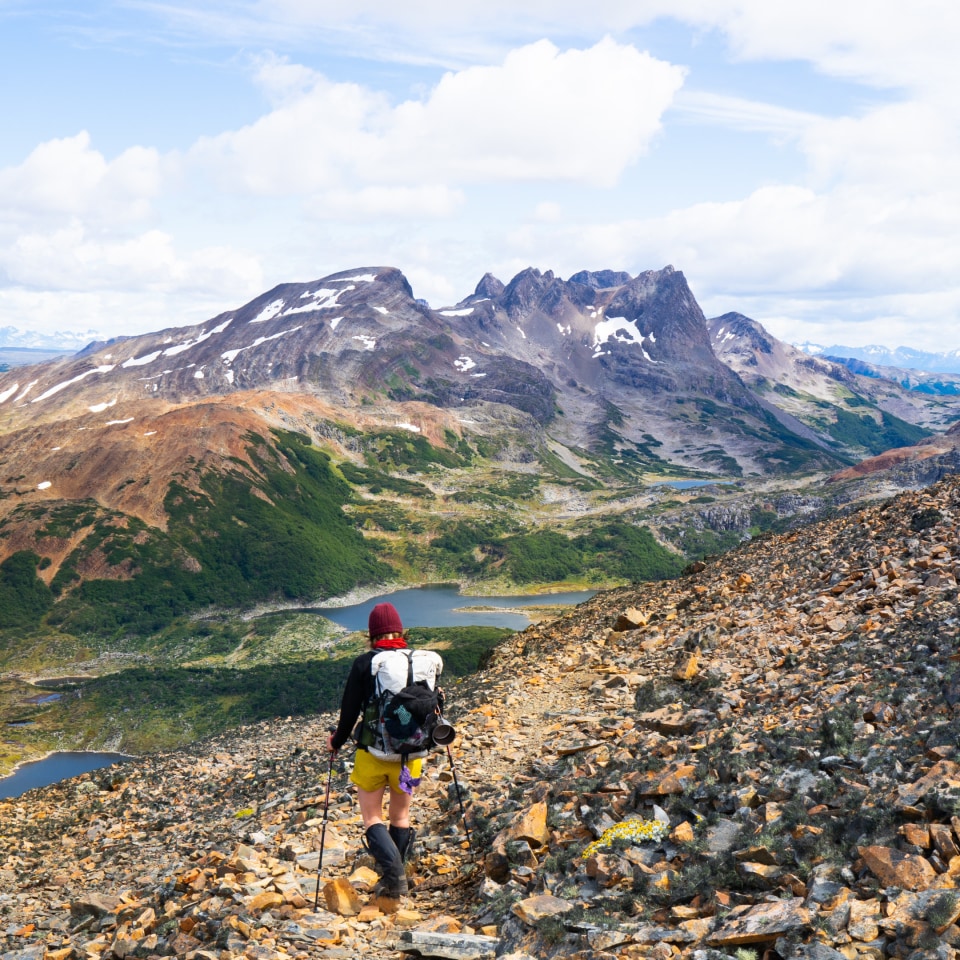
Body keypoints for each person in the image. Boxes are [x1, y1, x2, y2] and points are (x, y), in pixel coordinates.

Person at [327, 601, 443, 902]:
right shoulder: (422, 662)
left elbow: (350, 712)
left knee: (371, 818)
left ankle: (394, 878)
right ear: (400, 629)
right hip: (412, 758)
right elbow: (435, 708)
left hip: (373, 755)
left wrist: (336, 742)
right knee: (400, 817)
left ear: (372, 633)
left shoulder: (366, 663)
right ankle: (394, 879)